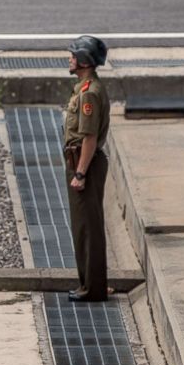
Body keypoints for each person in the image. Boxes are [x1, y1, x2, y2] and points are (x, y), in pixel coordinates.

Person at [63, 35, 111, 302]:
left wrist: (80, 173)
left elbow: (89, 138)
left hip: (84, 163)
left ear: (83, 60)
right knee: (85, 227)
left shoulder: (89, 93)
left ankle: (92, 288)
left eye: (73, 55)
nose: (69, 59)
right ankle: (92, 283)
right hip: (80, 161)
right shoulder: (84, 87)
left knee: (87, 230)